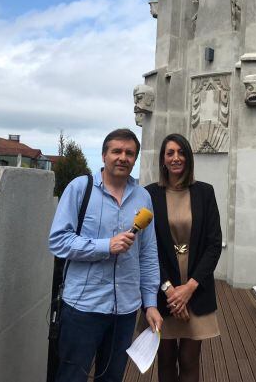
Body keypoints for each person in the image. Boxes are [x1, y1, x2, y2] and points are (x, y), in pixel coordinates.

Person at [49, 128, 162, 382]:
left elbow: (148, 253)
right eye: (117, 151)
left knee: (111, 377)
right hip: (82, 307)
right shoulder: (80, 188)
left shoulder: (143, 197)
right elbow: (58, 241)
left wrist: (150, 303)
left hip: (125, 311)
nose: (123, 157)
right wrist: (105, 246)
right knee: (70, 377)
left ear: (135, 159)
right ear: (103, 156)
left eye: (130, 153)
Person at [145, 133, 222, 382]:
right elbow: (148, 250)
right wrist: (170, 291)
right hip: (163, 289)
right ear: (163, 160)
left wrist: (189, 288)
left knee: (189, 360)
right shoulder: (149, 195)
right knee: (165, 360)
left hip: (196, 287)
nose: (176, 157)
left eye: (181, 152)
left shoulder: (205, 193)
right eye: (170, 153)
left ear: (188, 157)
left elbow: (213, 245)